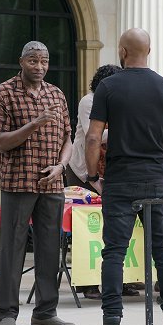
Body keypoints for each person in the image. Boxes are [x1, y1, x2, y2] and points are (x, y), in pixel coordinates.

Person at [85, 28, 163, 325]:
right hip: (155, 179)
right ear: (150, 49)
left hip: (120, 179)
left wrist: (91, 175)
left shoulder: (108, 87)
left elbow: (92, 136)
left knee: (114, 252)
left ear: (122, 51)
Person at [0, 41, 76, 325]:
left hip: (52, 182)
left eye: (44, 62)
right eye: (33, 61)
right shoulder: (4, 92)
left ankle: (45, 312)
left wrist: (61, 166)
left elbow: (68, 138)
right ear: (21, 61)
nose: (39, 67)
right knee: (12, 249)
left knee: (50, 249)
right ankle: (7, 313)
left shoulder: (57, 94)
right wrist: (35, 123)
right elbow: (1, 141)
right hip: (18, 181)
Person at [66, 64, 125, 300]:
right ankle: (87, 284)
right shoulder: (89, 101)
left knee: (113, 230)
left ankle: (123, 279)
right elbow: (96, 134)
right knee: (86, 229)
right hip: (83, 171)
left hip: (110, 172)